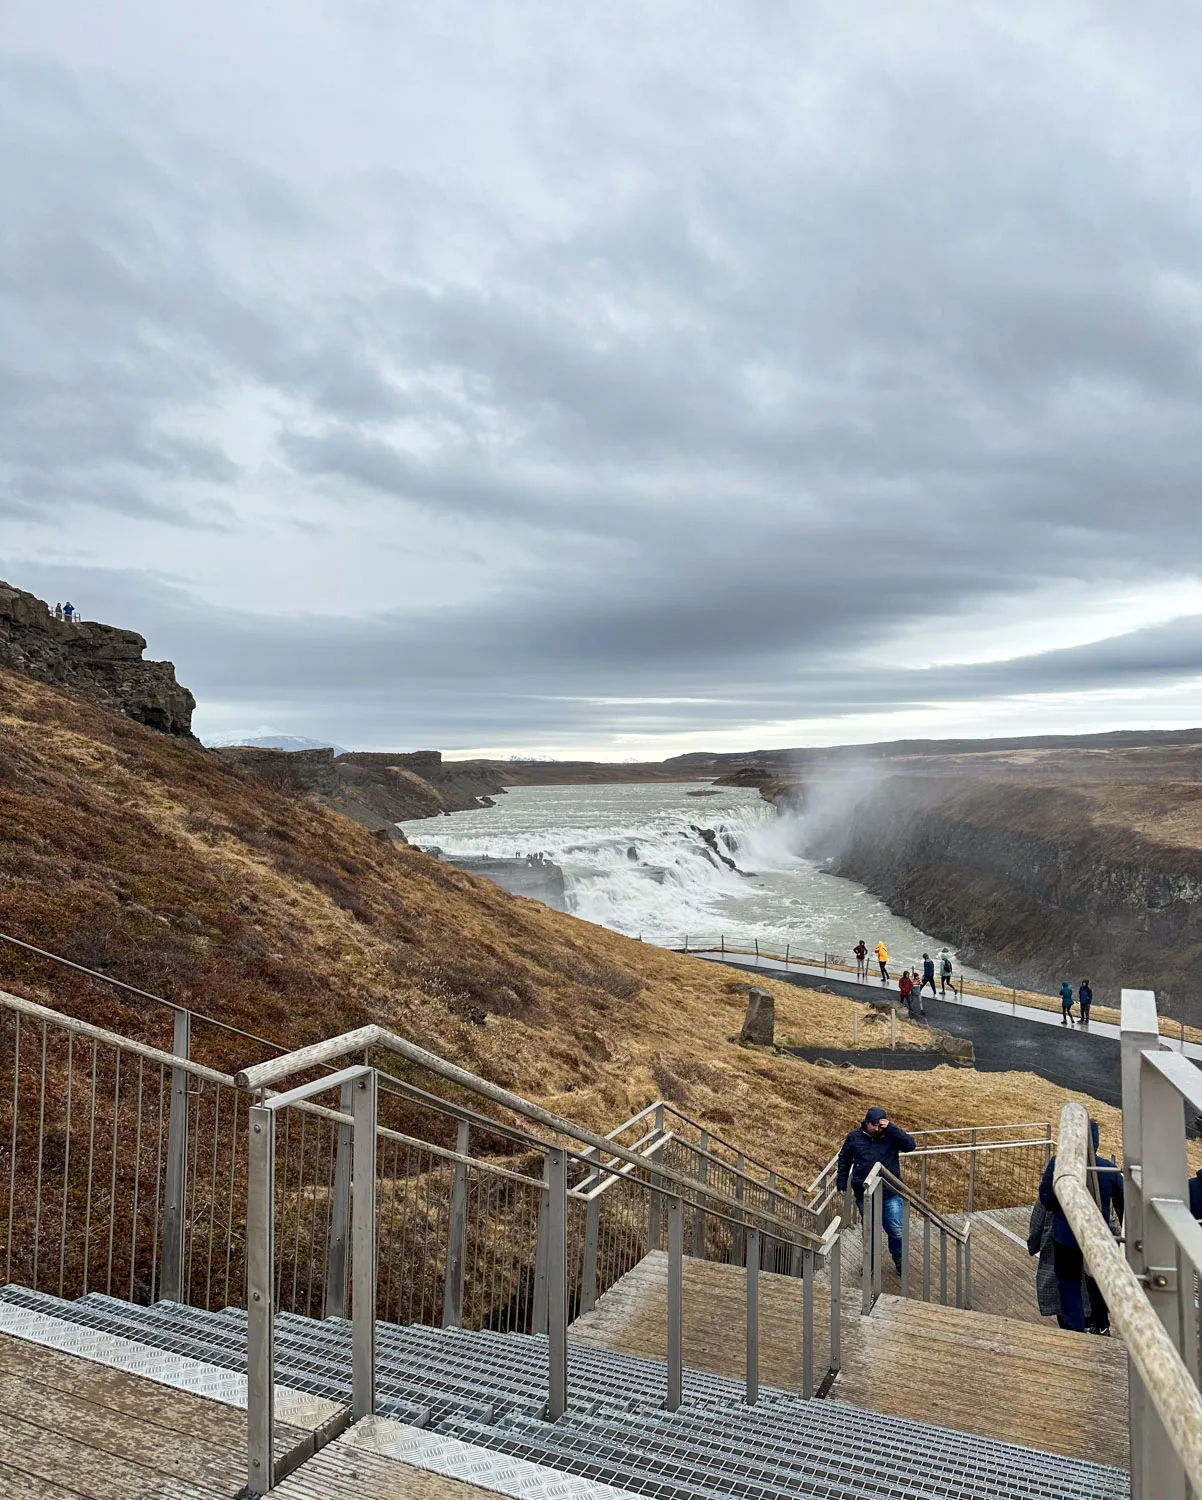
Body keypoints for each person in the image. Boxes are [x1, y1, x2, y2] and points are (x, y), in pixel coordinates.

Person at [1038, 1119, 1123, 1334]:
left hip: (1066, 1235)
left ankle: (1075, 1331)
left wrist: (1061, 1212)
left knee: (1068, 1283)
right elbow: (1123, 1206)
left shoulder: (1058, 1164)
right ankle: (1102, 1325)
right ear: (1095, 1141)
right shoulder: (1109, 1169)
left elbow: (1046, 1197)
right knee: (1098, 1281)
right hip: (1098, 1235)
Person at [836, 1106, 917, 1275]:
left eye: (881, 1125)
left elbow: (910, 1145)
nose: (878, 1129)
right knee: (869, 1230)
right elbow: (844, 1159)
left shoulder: (890, 1136)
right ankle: (870, 1262)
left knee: (896, 1228)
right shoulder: (854, 1138)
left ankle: (898, 1256)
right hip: (864, 1194)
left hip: (890, 1192)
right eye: (875, 1125)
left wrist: (892, 1128)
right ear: (866, 1123)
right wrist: (841, 1183)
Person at [1028, 1199, 1091, 1328]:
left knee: (1063, 1303)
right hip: (1088, 1260)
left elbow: (1037, 1224)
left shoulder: (1052, 1186)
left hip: (1057, 1254)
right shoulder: (1093, 1189)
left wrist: (1033, 1245)